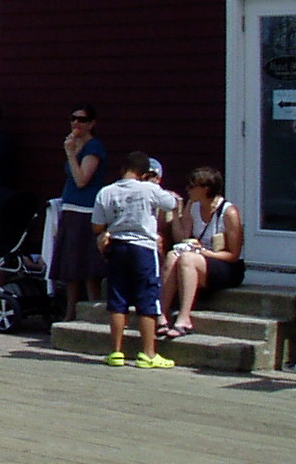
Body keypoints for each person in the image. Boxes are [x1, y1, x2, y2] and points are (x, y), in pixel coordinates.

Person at [92, 150, 181, 368]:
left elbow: (97, 225)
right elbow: (172, 203)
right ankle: (148, 353)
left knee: (117, 298)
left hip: (117, 245)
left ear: (123, 169)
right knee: (147, 298)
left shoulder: (106, 191)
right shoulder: (150, 189)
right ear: (144, 173)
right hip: (143, 247)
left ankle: (116, 352)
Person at [162, 166, 245, 338]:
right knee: (172, 256)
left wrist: (204, 253)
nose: (187, 190)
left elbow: (233, 255)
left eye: (192, 186)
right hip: (199, 260)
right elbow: (182, 238)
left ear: (205, 188)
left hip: (226, 265)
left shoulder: (229, 212)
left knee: (187, 259)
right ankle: (162, 314)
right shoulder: (193, 206)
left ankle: (184, 317)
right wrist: (176, 212)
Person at [51, 103, 109, 322]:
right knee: (70, 266)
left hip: (87, 210)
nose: (76, 123)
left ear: (92, 124)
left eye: (82, 120)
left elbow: (82, 179)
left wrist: (69, 154)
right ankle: (70, 312)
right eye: (73, 118)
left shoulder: (94, 148)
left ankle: (92, 313)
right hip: (70, 208)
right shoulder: (76, 146)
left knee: (88, 266)